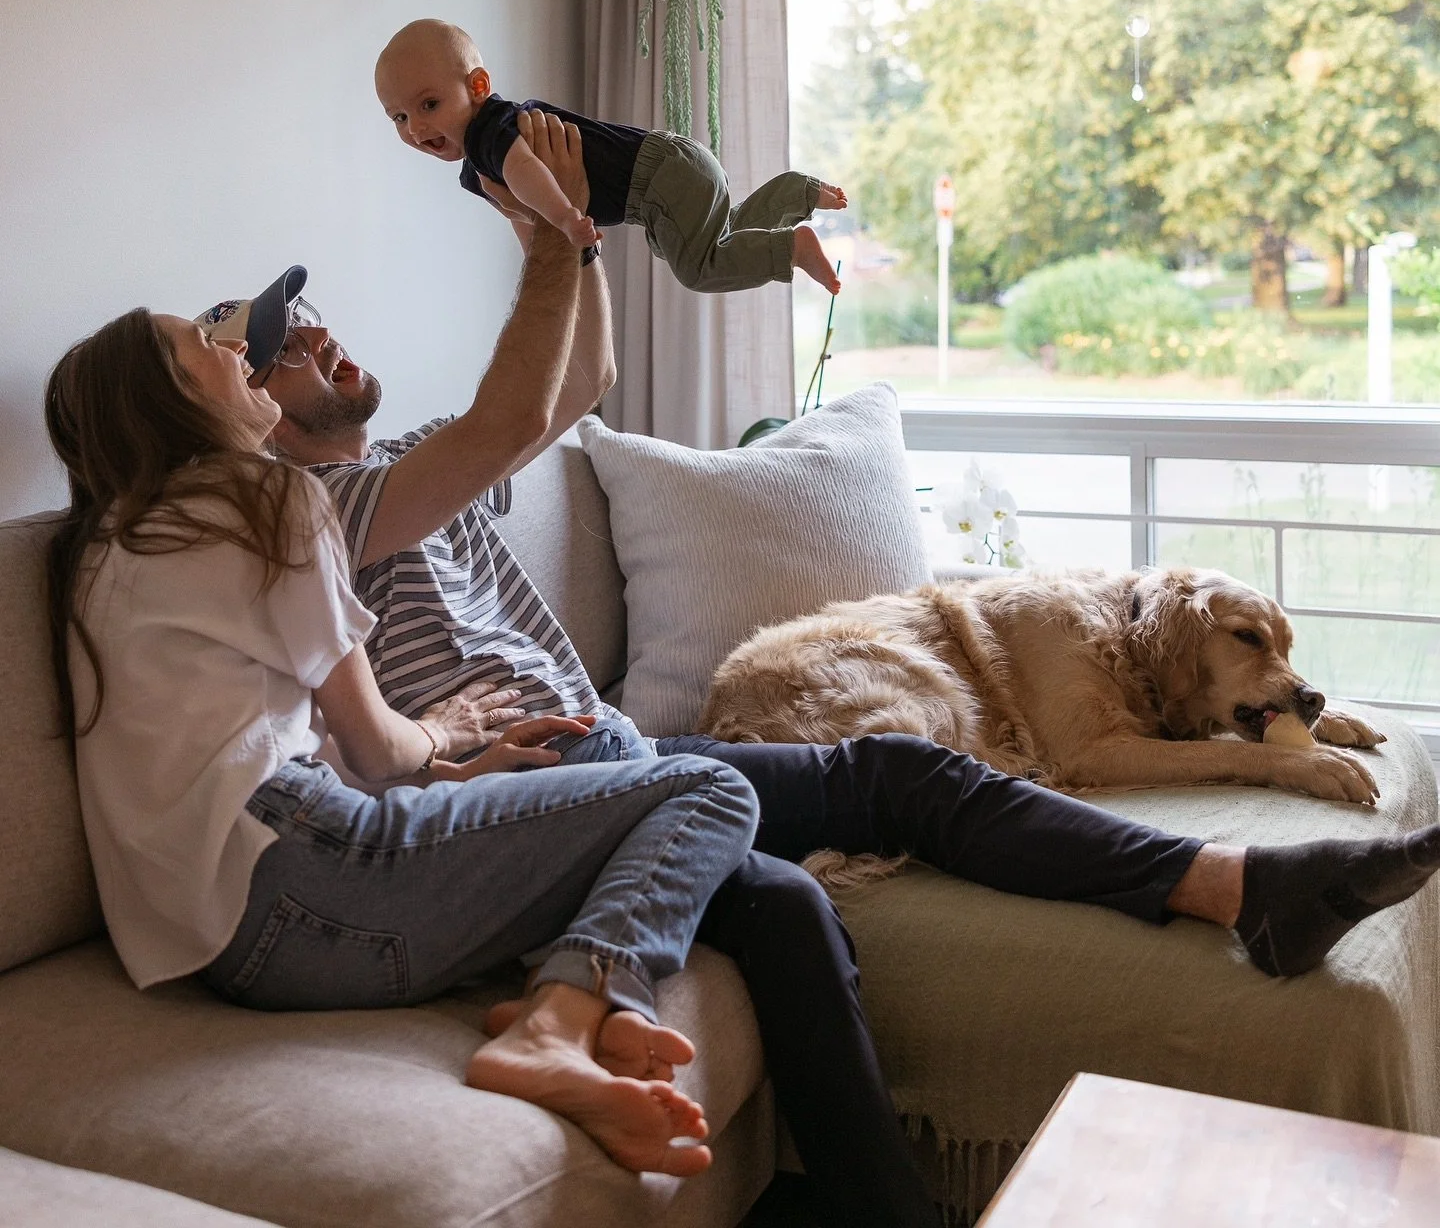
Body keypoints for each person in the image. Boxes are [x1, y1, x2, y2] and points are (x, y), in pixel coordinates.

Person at [201, 115, 1440, 1228]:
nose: (317, 333)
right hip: (503, 797)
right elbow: (503, 432)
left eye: (314, 319)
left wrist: (582, 239)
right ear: (245, 409)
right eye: (281, 346)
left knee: (814, 881)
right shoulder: (299, 513)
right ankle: (1238, 889)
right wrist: (541, 234)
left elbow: (572, 393)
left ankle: (1242, 892)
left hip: (602, 755)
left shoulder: (422, 459)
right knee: (885, 784)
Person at [44, 302, 763, 1182]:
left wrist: (460, 775)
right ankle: (558, 1023)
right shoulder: (265, 498)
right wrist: (443, 731)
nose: (237, 349)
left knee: (654, 789)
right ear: (165, 396)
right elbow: (379, 751)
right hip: (310, 880)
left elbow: (267, 747)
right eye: (206, 344)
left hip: (226, 952)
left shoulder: (105, 547)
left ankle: (586, 991)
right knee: (707, 790)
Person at [374, 15, 847, 293]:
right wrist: (542, 265)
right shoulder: (475, 166)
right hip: (673, 167)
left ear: (477, 87)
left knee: (699, 270)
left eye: (428, 105)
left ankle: (793, 247)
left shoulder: (490, 130)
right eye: (398, 118)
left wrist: (564, 218)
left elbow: (525, 172)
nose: (416, 128)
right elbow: (522, 214)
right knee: (719, 236)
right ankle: (798, 192)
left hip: (656, 181)